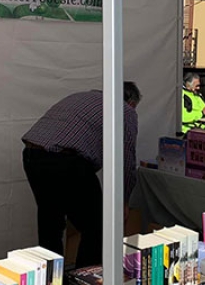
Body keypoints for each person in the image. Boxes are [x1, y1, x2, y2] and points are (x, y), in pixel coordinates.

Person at [22, 82, 141, 268]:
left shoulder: (82, 96)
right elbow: (125, 157)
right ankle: (86, 281)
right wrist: (123, 200)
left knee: (50, 223)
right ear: (131, 102)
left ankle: (50, 284)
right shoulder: (125, 110)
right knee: (97, 226)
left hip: (33, 155)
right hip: (65, 161)